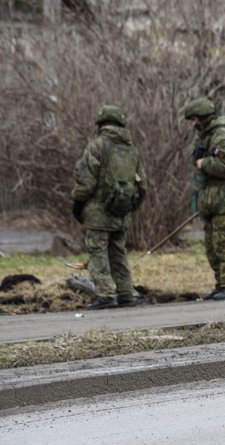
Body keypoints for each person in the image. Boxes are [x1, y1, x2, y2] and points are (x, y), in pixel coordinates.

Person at [71, 104, 146, 310]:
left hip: (97, 212)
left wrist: (77, 204)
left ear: (101, 124)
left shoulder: (97, 145)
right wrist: (128, 207)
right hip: (121, 213)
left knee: (98, 252)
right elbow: (142, 186)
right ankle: (126, 293)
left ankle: (105, 295)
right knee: (118, 254)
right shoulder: (132, 149)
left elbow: (86, 182)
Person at [183, 97, 225, 301]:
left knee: (223, 245)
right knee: (211, 247)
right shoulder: (207, 137)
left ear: (203, 118)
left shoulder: (221, 136)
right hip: (211, 200)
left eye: (194, 119)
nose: (193, 124)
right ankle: (221, 284)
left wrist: (205, 163)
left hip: (223, 200)